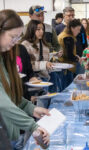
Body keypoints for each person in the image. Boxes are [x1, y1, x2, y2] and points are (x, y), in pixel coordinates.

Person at [0, 9, 50, 149]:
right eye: (13, 37)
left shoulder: (5, 56)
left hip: (9, 135)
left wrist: (31, 109)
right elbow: (3, 103)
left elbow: (10, 95)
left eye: (18, 37)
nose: (16, 42)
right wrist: (33, 126)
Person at [58, 19, 81, 86]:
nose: (79, 31)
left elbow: (66, 51)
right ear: (72, 28)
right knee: (67, 89)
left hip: (63, 66)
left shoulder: (63, 34)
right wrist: (78, 59)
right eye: (78, 29)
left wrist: (76, 56)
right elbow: (69, 55)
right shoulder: (68, 37)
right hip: (66, 68)